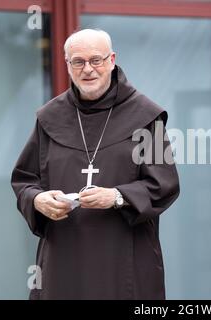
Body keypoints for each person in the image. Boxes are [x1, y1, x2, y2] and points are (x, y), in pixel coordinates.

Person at [11, 29, 180, 299]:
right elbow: (24, 180)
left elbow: (164, 184)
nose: (87, 69)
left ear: (112, 60)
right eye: (78, 62)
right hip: (62, 258)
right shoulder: (50, 117)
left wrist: (116, 196)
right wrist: (37, 199)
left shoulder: (146, 116)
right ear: (68, 65)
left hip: (123, 258)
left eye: (96, 60)